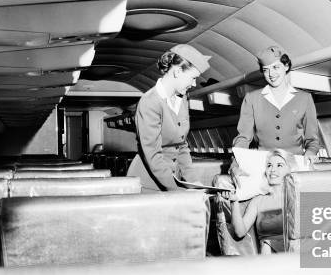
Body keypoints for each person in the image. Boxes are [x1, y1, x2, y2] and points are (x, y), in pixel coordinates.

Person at [230, 45, 320, 183]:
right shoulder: (252, 98)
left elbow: (311, 138)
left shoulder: (304, 98)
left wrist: (311, 151)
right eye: (266, 70)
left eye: (276, 67)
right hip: (265, 167)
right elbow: (243, 137)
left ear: (286, 66)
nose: (271, 74)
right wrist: (237, 161)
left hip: (294, 166)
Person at [133, 44, 211, 191]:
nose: (194, 84)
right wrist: (175, 189)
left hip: (174, 179)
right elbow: (153, 154)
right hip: (150, 184)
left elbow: (181, 145)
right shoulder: (150, 102)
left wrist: (193, 182)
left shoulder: (182, 99)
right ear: (177, 71)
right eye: (193, 78)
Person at [223, 149, 295, 254]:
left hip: (295, 256)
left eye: (279, 165)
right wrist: (234, 203)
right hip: (268, 260)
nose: (272, 170)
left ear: (290, 170)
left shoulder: (297, 198)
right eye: (269, 165)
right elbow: (240, 232)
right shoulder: (258, 201)